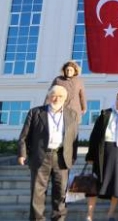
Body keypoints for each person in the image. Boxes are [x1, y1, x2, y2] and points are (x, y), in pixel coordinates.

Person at [18, 85, 79, 221]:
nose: (56, 98)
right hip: (41, 157)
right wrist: (22, 154)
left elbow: (74, 139)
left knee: (61, 194)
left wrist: (72, 158)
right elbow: (24, 136)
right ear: (49, 96)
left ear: (65, 99)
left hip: (61, 158)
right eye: (53, 95)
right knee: (37, 194)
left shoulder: (72, 114)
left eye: (60, 96)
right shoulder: (35, 112)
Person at [86, 90, 118, 221]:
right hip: (103, 154)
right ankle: (89, 216)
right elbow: (95, 136)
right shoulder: (106, 114)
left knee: (117, 185)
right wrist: (91, 156)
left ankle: (110, 214)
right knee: (95, 184)